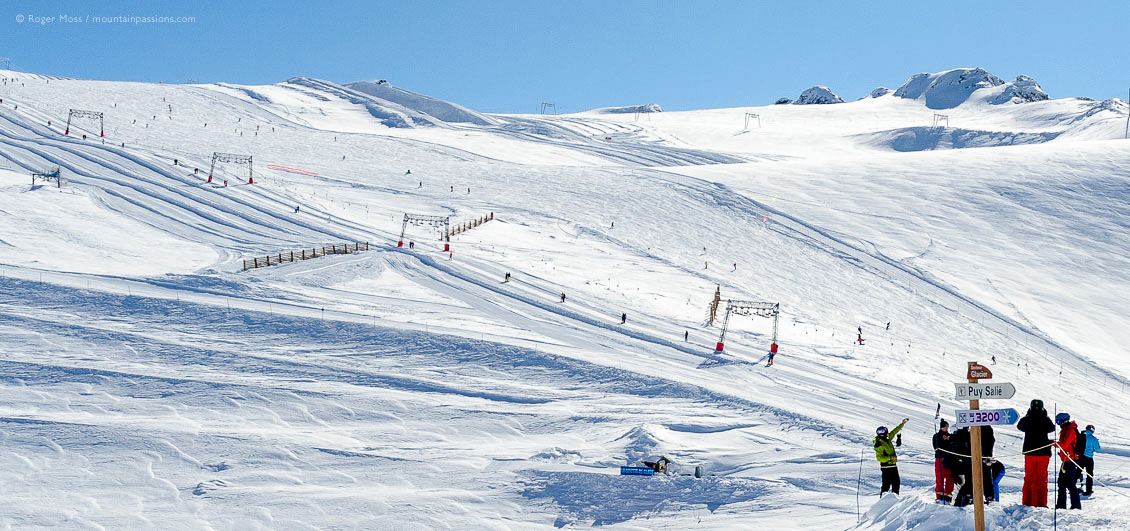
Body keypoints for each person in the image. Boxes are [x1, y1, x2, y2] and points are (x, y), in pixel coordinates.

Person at [1017, 398, 1055, 507]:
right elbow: (1052, 428)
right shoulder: (1045, 419)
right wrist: (1045, 415)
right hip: (1043, 453)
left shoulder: (1027, 419)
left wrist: (1029, 414)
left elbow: (1020, 426)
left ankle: (1027, 502)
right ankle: (1041, 503)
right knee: (1041, 479)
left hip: (1030, 452)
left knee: (1029, 478)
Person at [873, 418, 909, 495]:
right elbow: (879, 458)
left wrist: (902, 424)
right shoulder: (879, 444)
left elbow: (894, 431)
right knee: (886, 485)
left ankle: (894, 500)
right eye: (886, 432)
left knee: (896, 483)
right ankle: (883, 501)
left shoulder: (887, 439)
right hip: (886, 467)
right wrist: (890, 458)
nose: (888, 433)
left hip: (893, 465)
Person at [1055, 413, 1082, 510]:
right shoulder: (1065, 430)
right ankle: (1061, 506)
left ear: (1064, 421)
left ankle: (1076, 506)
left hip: (1071, 461)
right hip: (1066, 461)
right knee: (1061, 483)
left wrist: (1054, 444)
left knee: (1070, 484)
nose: (1058, 424)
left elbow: (1065, 445)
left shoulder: (1070, 430)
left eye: (1059, 422)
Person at [932, 420, 954, 502]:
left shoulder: (950, 436)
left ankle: (948, 494)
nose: (946, 428)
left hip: (949, 459)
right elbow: (936, 447)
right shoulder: (936, 436)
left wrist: (949, 439)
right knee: (940, 477)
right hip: (940, 458)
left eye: (947, 427)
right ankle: (939, 495)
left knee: (950, 477)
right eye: (945, 427)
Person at [1079, 425, 1100, 495]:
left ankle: (1072, 488)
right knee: (1089, 474)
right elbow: (1098, 449)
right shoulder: (1093, 438)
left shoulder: (1081, 436)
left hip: (1081, 457)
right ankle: (1089, 490)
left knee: (1077, 473)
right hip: (1089, 458)